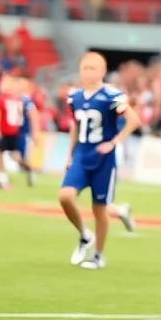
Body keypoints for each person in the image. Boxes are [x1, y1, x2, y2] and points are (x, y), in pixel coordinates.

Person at [59, 52, 140, 269]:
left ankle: (98, 255)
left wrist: (114, 142)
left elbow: (134, 120)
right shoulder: (74, 96)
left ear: (103, 71)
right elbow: (75, 126)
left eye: (93, 68)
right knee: (65, 196)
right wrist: (69, 155)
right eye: (85, 68)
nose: (88, 72)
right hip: (82, 155)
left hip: (103, 159)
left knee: (99, 208)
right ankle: (85, 235)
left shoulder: (112, 95)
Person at [0, 76, 38, 189]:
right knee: (4, 153)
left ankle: (26, 170)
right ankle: (3, 178)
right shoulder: (18, 99)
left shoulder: (20, 99)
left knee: (15, 157)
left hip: (17, 132)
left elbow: (33, 115)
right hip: (16, 132)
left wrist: (34, 132)